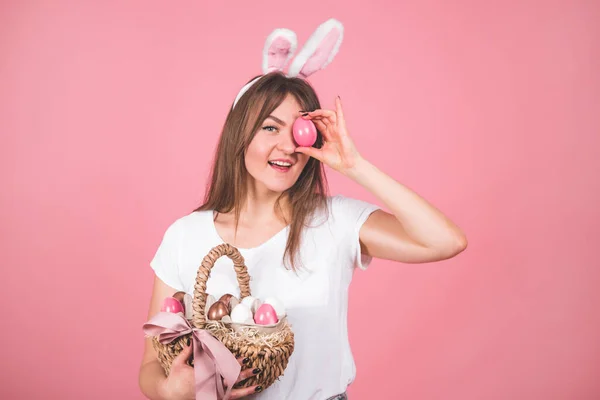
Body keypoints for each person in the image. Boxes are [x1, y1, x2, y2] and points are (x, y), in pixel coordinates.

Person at [139, 20, 467, 400]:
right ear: (239, 134)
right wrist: (170, 391)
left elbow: (446, 241)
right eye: (270, 128)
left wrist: (354, 165)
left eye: (299, 131)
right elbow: (150, 365)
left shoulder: (334, 221)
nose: (288, 147)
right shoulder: (186, 235)